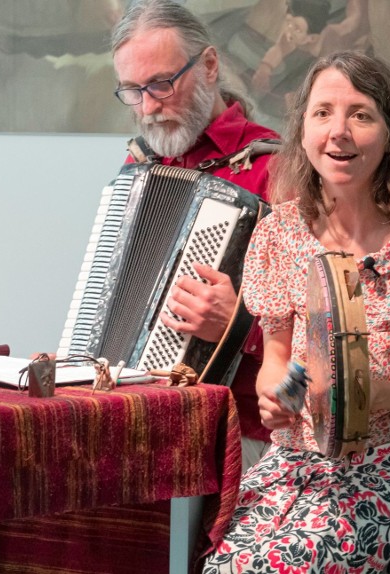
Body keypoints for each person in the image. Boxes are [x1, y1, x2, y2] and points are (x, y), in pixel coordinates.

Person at [204, 50, 390, 571]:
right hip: (297, 461)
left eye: (360, 114)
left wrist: (375, 395)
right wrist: (278, 395)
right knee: (222, 562)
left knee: (298, 562)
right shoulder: (281, 232)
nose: (338, 131)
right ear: (302, 130)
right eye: (322, 113)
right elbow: (282, 358)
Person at [111, 0, 279, 471]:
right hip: (139, 416)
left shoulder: (276, 169)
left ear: (208, 65)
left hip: (246, 430)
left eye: (162, 84)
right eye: (132, 90)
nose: (148, 108)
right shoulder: (140, 166)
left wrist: (240, 326)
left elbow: (332, 328)